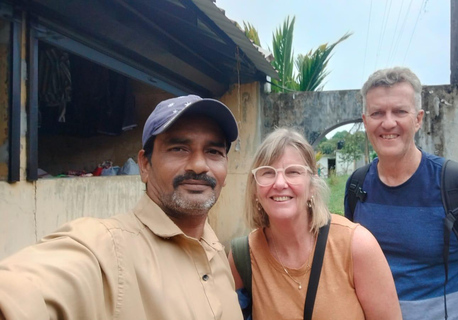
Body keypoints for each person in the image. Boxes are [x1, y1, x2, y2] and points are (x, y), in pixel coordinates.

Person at [0, 95, 243, 320]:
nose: (199, 165)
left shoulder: (216, 250)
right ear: (145, 165)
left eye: (213, 151)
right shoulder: (106, 250)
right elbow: (20, 290)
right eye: (179, 148)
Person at [344, 67, 458, 319]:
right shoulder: (356, 185)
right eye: (377, 113)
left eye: (399, 111)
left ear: (418, 119)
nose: (388, 122)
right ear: (365, 122)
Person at [229, 127, 402, 319]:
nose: (279, 183)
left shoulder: (356, 246)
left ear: (312, 185)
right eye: (267, 173)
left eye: (293, 172)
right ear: (255, 188)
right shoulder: (243, 256)